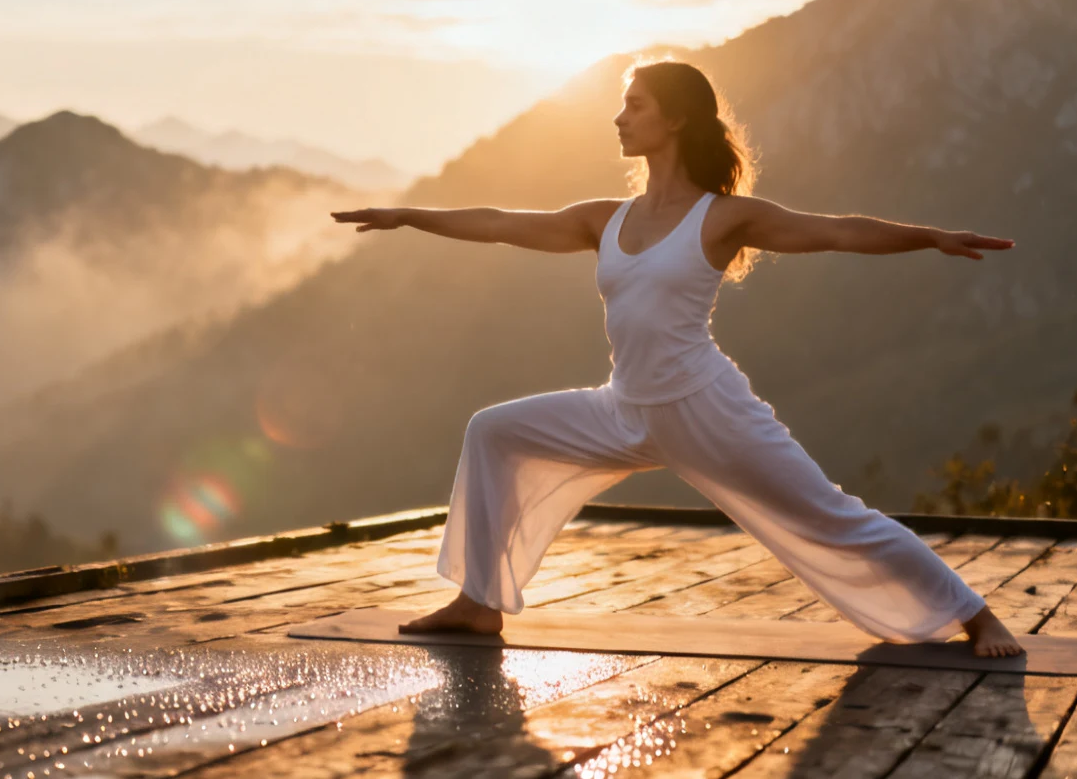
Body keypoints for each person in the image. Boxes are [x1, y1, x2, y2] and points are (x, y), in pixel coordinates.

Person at [330, 60, 1024, 657]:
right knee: (494, 430)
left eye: (635, 105)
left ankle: (974, 612)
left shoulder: (722, 216)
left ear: (678, 120)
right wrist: (410, 215)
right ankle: (480, 603)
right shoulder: (606, 216)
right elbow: (501, 224)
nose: (619, 118)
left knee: (829, 515)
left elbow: (837, 231)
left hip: (703, 406)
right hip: (623, 406)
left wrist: (931, 237)